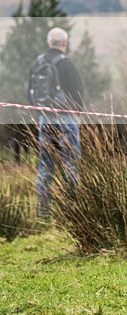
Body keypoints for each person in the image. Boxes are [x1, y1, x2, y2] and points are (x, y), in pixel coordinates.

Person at [29, 28, 84, 218]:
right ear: (64, 43)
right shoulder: (67, 64)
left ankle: (43, 212)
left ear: (48, 42)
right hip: (66, 120)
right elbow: (78, 96)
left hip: (45, 120)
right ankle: (74, 211)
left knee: (45, 167)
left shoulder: (37, 62)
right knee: (70, 166)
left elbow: (31, 94)